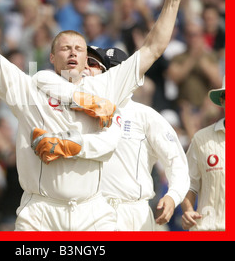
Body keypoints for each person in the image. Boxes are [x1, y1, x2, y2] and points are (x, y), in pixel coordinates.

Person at [0, 0, 185, 231]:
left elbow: (152, 48)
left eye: (79, 49)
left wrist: (172, 0)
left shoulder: (106, 87)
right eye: (65, 48)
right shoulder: (30, 90)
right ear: (52, 58)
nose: (72, 52)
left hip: (92, 211)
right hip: (40, 211)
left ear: (86, 59)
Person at [33, 46, 190, 231]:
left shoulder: (146, 116)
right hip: (91, 212)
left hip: (133, 214)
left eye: (118, 70)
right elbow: (41, 78)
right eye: (107, 69)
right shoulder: (81, 113)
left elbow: (176, 162)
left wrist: (173, 196)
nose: (114, 76)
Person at [181, 76, 225, 231]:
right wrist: (188, 210)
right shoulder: (201, 138)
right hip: (207, 230)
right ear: (223, 101)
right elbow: (189, 184)